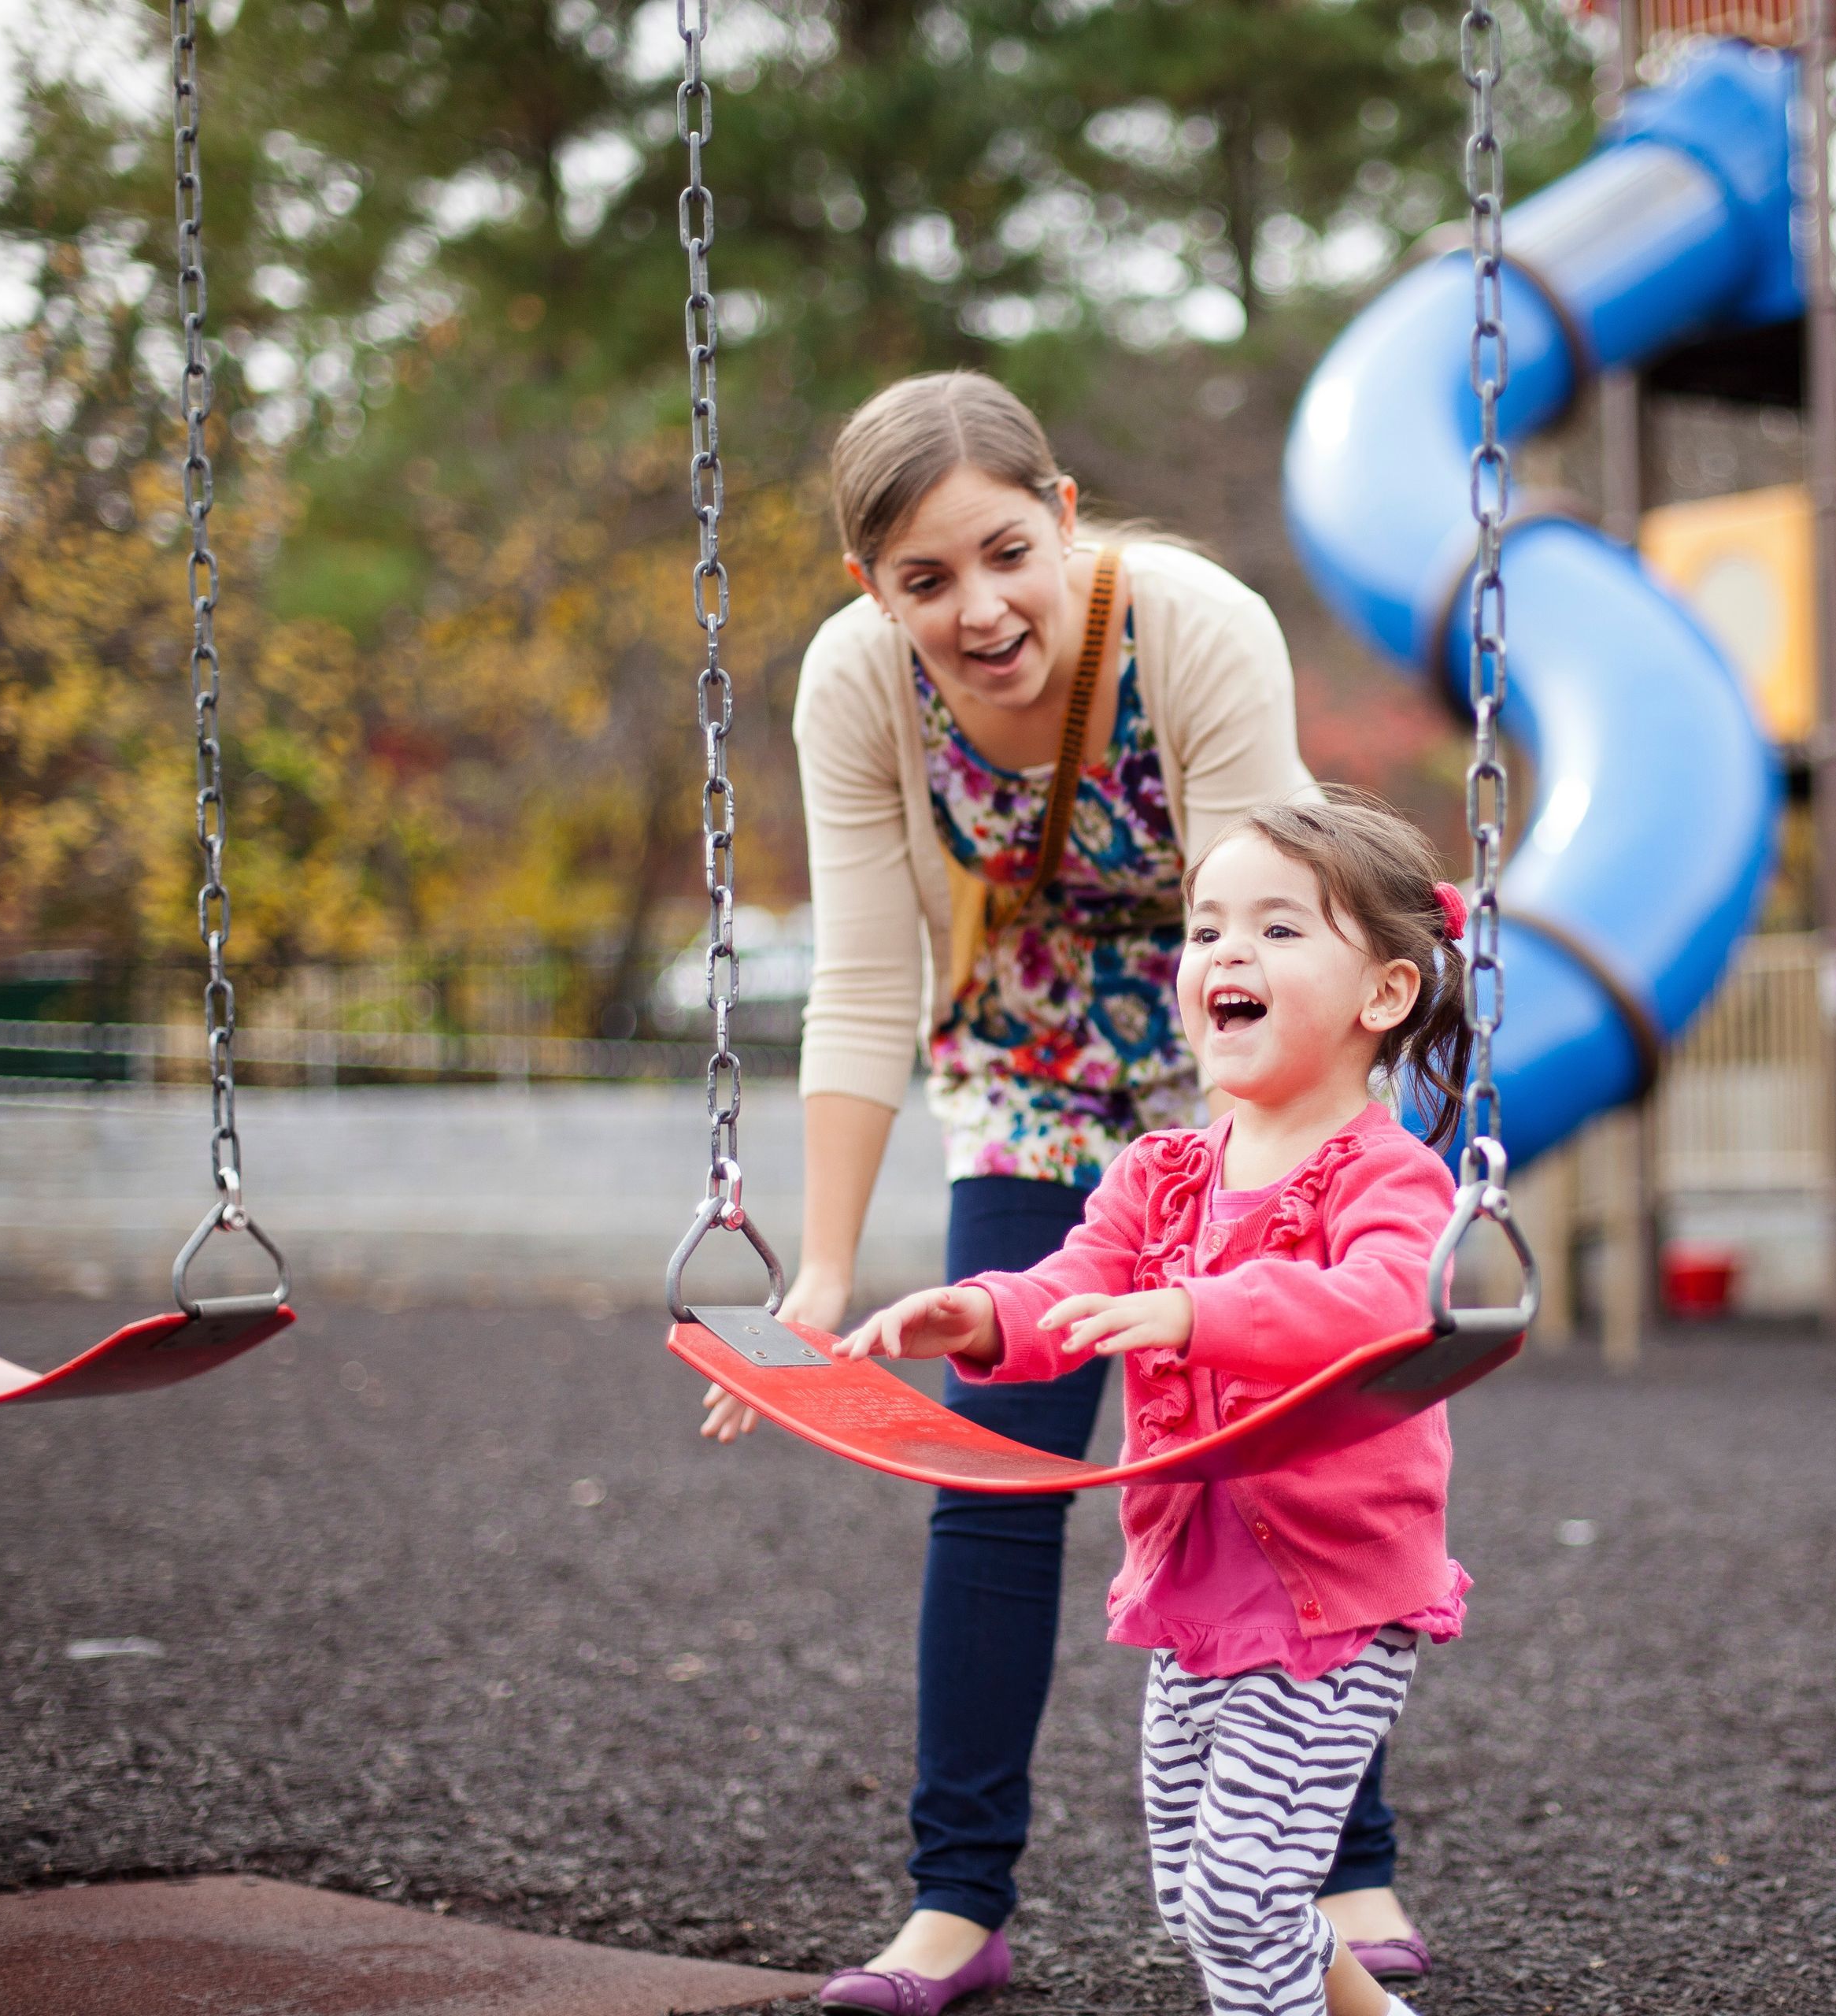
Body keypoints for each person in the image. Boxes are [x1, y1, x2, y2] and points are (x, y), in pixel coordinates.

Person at [698, 372, 1431, 2010]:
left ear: (1068, 517)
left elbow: (1269, 923)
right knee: (998, 1467)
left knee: (1276, 1430)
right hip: (1033, 1052)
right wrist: (820, 1267)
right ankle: (957, 1900)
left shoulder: (1191, 627)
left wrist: (1260, 1182)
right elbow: (870, 973)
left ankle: (1340, 1865)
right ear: (870, 591)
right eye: (926, 579)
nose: (980, 607)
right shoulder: (856, 685)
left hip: (1235, 1030)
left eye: (1005, 552)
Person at [829, 794, 1472, 2016]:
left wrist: (1198, 1312)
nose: (1226, 954)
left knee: (1241, 1898)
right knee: (1197, 1895)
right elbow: (1074, 1280)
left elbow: (1390, 1304)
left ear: (1382, 996)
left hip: (1332, 1598)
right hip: (1192, 1587)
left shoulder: (1389, 1172)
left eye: (1280, 931)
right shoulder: (1161, 1172)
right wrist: (981, 1314)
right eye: (1207, 927)